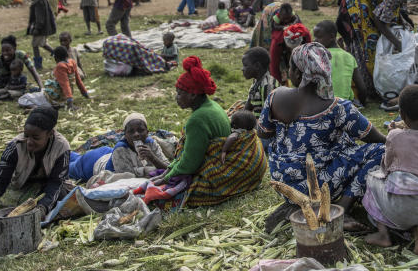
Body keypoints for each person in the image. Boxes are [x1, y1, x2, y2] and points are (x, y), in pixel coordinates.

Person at [259, 43, 386, 232]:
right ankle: (342, 208)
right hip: (315, 186)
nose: (290, 72)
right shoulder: (338, 107)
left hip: (284, 183)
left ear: (299, 73)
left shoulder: (275, 96)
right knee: (380, 151)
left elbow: (263, 134)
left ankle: (334, 205)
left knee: (341, 141)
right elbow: (376, 139)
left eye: (292, 68)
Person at [151, 57, 266, 207]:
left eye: (179, 93)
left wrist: (166, 178)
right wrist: (167, 170)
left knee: (175, 193)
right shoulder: (212, 105)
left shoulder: (197, 120)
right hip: (248, 168)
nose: (176, 98)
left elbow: (190, 163)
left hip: (226, 169)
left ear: (192, 95)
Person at [362, 85, 418, 255]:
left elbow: (386, 167)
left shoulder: (395, 136)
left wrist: (395, 133)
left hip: (398, 211)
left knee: (372, 179)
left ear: (401, 114)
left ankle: (383, 234)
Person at [0, 107, 70, 216]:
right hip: (19, 186)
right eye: (26, 135)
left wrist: (42, 208)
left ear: (50, 134)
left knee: (62, 196)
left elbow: (56, 183)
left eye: (35, 138)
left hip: (45, 188)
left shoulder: (61, 148)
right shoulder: (15, 147)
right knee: (0, 200)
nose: (29, 142)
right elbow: (0, 183)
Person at [69, 112, 170, 182]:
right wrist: (149, 169)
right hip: (92, 164)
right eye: (131, 131)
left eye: (140, 130)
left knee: (75, 157)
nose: (136, 134)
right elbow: (128, 177)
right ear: (124, 135)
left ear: (147, 132)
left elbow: (168, 167)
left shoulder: (151, 143)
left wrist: (153, 157)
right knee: (65, 167)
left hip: (107, 152)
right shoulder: (121, 149)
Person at [314, 20, 366, 105]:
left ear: (331, 37)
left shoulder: (317, 56)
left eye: (319, 37)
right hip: (344, 104)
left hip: (321, 104)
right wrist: (362, 103)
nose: (315, 40)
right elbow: (362, 88)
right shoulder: (349, 57)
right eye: (315, 37)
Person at [26, 0, 56, 72]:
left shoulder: (39, 1)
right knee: (43, 44)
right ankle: (58, 54)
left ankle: (38, 65)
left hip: (40, 28)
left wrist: (37, 28)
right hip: (43, 27)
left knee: (35, 45)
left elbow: (40, 17)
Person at [242, 47, 274, 113]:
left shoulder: (267, 85)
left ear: (257, 66)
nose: (242, 69)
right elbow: (247, 107)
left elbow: (268, 115)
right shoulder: (256, 82)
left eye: (245, 65)